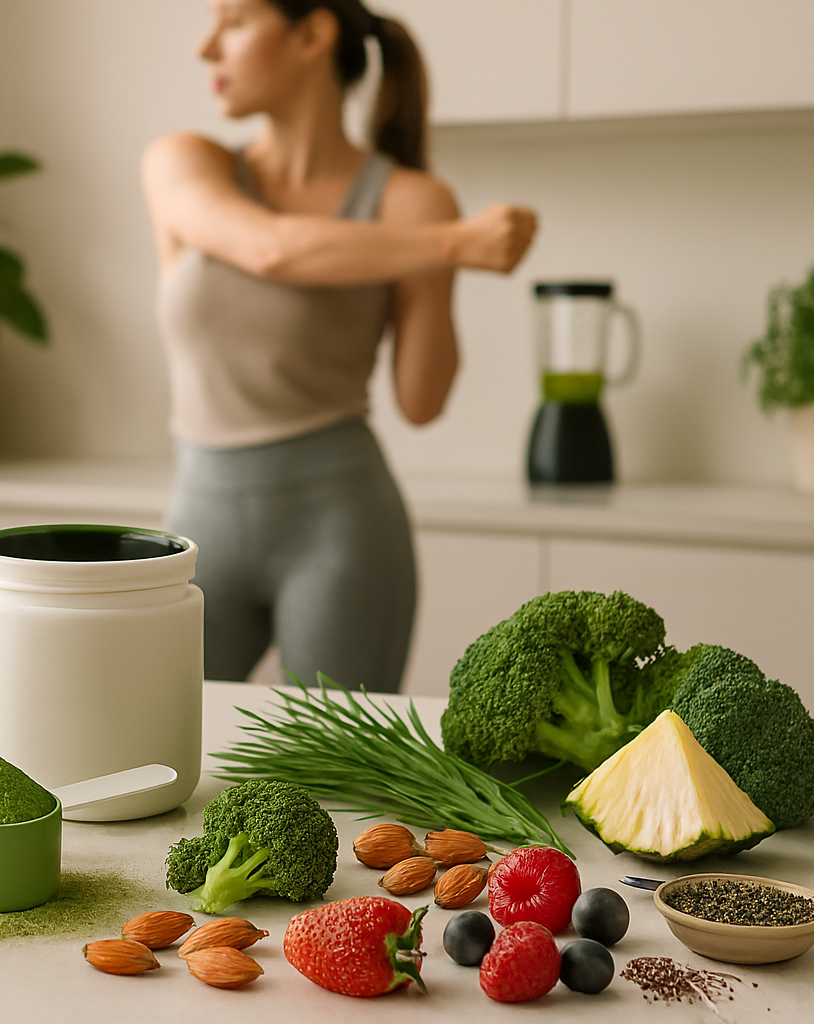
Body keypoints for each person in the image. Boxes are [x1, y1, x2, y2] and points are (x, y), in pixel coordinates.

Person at [142, 0, 536, 691]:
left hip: (342, 527)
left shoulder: (412, 203)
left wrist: (435, 250)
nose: (207, 47)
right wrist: (455, 242)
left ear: (313, 34)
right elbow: (267, 249)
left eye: (233, 23)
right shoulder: (183, 162)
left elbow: (421, 400)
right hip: (199, 519)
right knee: (149, 759)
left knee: (341, 787)